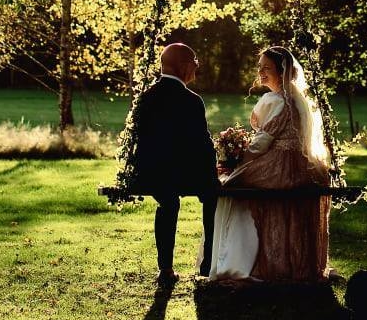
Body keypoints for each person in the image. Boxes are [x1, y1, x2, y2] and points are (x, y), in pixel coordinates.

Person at [207, 45, 331, 283]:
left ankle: (237, 263)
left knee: (230, 185)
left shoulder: (275, 100)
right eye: (259, 67)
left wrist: (236, 161)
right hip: (299, 166)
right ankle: (273, 260)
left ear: (282, 72)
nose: (261, 72)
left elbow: (261, 142)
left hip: (280, 165)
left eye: (267, 68)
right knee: (236, 182)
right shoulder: (296, 100)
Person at [126, 42, 219, 285]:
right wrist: (213, 171)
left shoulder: (146, 97)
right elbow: (202, 144)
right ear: (184, 66)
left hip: (150, 173)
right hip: (181, 174)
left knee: (168, 201)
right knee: (213, 193)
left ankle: (165, 269)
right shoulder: (191, 100)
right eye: (195, 64)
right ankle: (207, 264)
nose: (196, 69)